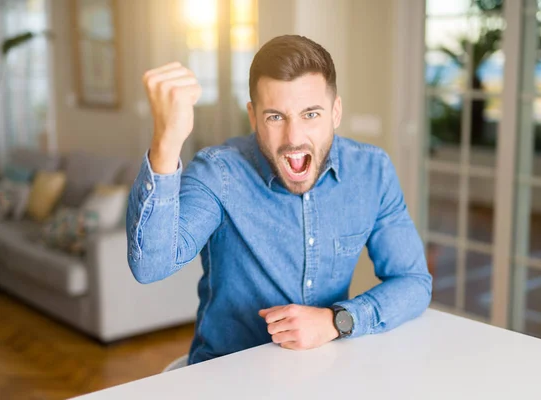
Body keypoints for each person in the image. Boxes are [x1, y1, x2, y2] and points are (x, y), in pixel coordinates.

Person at [126, 35, 432, 365]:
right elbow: (150, 266)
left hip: (324, 370)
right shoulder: (219, 172)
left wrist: (337, 320)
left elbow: (413, 283)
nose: (294, 138)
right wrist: (166, 143)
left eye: (310, 114)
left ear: (336, 111)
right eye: (275, 117)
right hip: (227, 377)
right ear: (253, 117)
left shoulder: (372, 171)